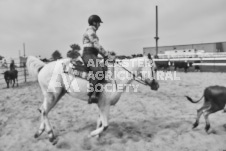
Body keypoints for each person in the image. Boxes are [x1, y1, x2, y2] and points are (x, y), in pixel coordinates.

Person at [82, 15, 109, 104]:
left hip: (92, 54)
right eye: (98, 23)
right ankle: (92, 95)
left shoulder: (91, 31)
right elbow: (96, 45)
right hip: (88, 54)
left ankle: (98, 92)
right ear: (94, 23)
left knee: (104, 68)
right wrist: (106, 54)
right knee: (98, 71)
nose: (99, 25)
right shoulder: (90, 31)